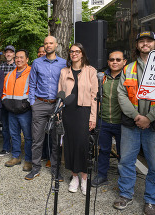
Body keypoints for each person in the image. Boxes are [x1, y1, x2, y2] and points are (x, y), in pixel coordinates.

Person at [113, 31, 155, 215]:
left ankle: (151, 200)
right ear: (137, 46)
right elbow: (121, 95)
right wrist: (137, 117)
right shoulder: (128, 69)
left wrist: (149, 118)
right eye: (141, 41)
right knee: (126, 162)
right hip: (131, 124)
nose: (145, 44)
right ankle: (126, 194)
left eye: (149, 41)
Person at [58, 43, 98, 195]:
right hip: (68, 112)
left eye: (77, 51)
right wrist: (59, 114)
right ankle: (74, 177)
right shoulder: (64, 72)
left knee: (83, 145)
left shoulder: (91, 71)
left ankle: (84, 178)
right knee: (70, 145)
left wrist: (93, 117)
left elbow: (94, 96)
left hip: (84, 112)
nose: (74, 54)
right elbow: (60, 93)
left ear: (82, 54)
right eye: (71, 51)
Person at [25, 36, 66, 180]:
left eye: (51, 43)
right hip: (40, 104)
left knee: (56, 140)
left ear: (56, 45)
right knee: (37, 139)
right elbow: (32, 84)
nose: (48, 45)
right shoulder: (36, 63)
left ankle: (55, 170)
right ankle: (35, 168)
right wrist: (32, 103)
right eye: (46, 43)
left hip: (57, 105)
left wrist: (62, 104)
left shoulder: (64, 63)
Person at [91, 50, 127, 187]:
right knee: (104, 150)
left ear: (124, 62)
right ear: (108, 62)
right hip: (104, 121)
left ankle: (124, 178)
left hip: (122, 123)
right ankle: (101, 175)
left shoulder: (127, 77)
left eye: (118, 60)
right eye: (112, 60)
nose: (115, 62)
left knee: (123, 152)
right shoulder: (102, 77)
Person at [2, 49, 32, 172]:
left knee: (28, 137)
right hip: (11, 111)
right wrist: (6, 103)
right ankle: (16, 156)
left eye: (21, 57)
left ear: (27, 59)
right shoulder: (9, 74)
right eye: (17, 58)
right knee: (14, 135)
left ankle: (29, 160)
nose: (19, 60)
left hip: (25, 111)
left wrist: (26, 105)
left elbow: (34, 91)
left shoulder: (32, 73)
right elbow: (4, 92)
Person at [0, 45, 16, 156]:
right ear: (5, 54)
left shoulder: (17, 67)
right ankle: (6, 147)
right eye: (7, 52)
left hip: (15, 101)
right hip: (3, 101)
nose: (8, 54)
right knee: (5, 126)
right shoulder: (0, 67)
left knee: (14, 126)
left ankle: (15, 148)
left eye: (11, 52)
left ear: (14, 54)